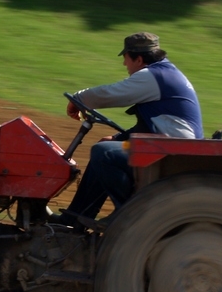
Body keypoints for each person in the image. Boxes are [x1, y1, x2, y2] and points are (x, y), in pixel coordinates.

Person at [60, 32, 203, 225]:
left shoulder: (154, 76)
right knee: (106, 146)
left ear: (139, 59)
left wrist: (78, 99)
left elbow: (111, 94)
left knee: (105, 153)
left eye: (126, 58)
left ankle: (131, 214)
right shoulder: (165, 73)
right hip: (165, 146)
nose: (124, 64)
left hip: (170, 152)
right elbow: (152, 125)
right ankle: (73, 220)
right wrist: (119, 137)